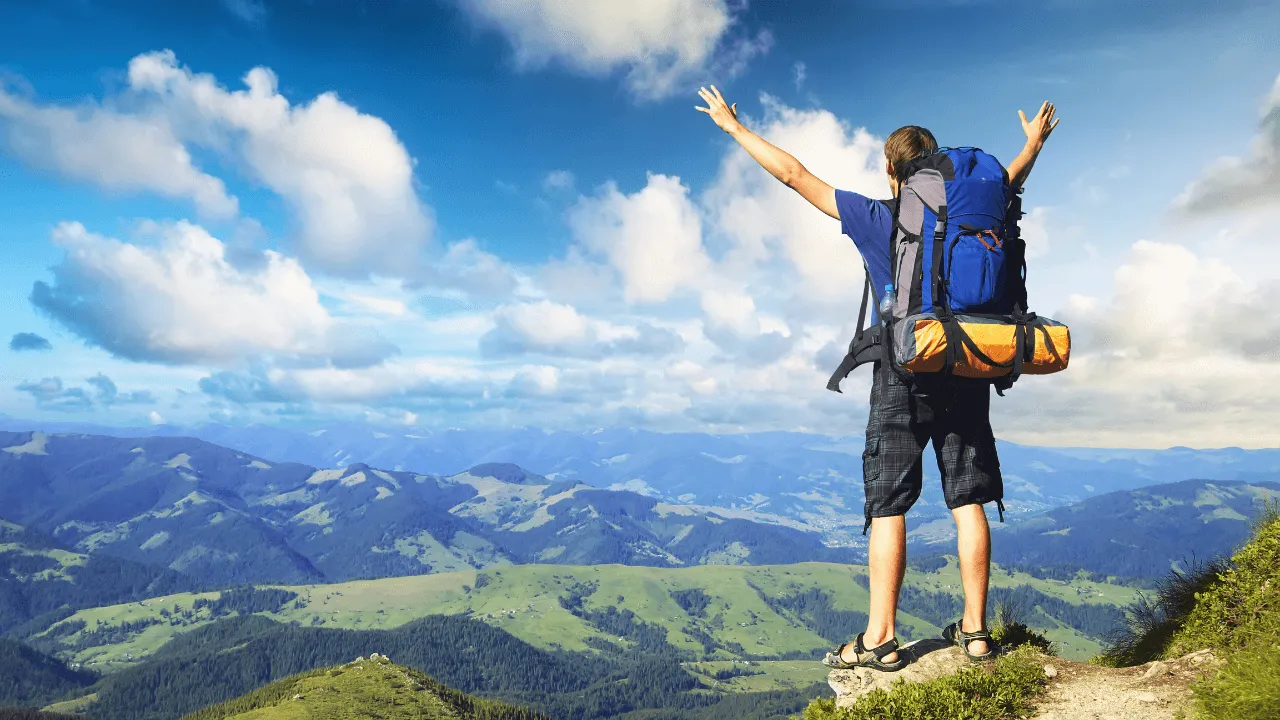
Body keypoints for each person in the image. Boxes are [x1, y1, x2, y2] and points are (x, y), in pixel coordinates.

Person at [695, 86, 1059, 670]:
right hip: (964, 358)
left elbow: (795, 175)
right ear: (936, 167)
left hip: (902, 369)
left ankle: (881, 639)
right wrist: (1033, 143)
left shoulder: (878, 216)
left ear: (893, 171)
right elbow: (1008, 179)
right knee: (968, 502)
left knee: (889, 506)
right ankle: (977, 632)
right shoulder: (974, 208)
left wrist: (734, 131)